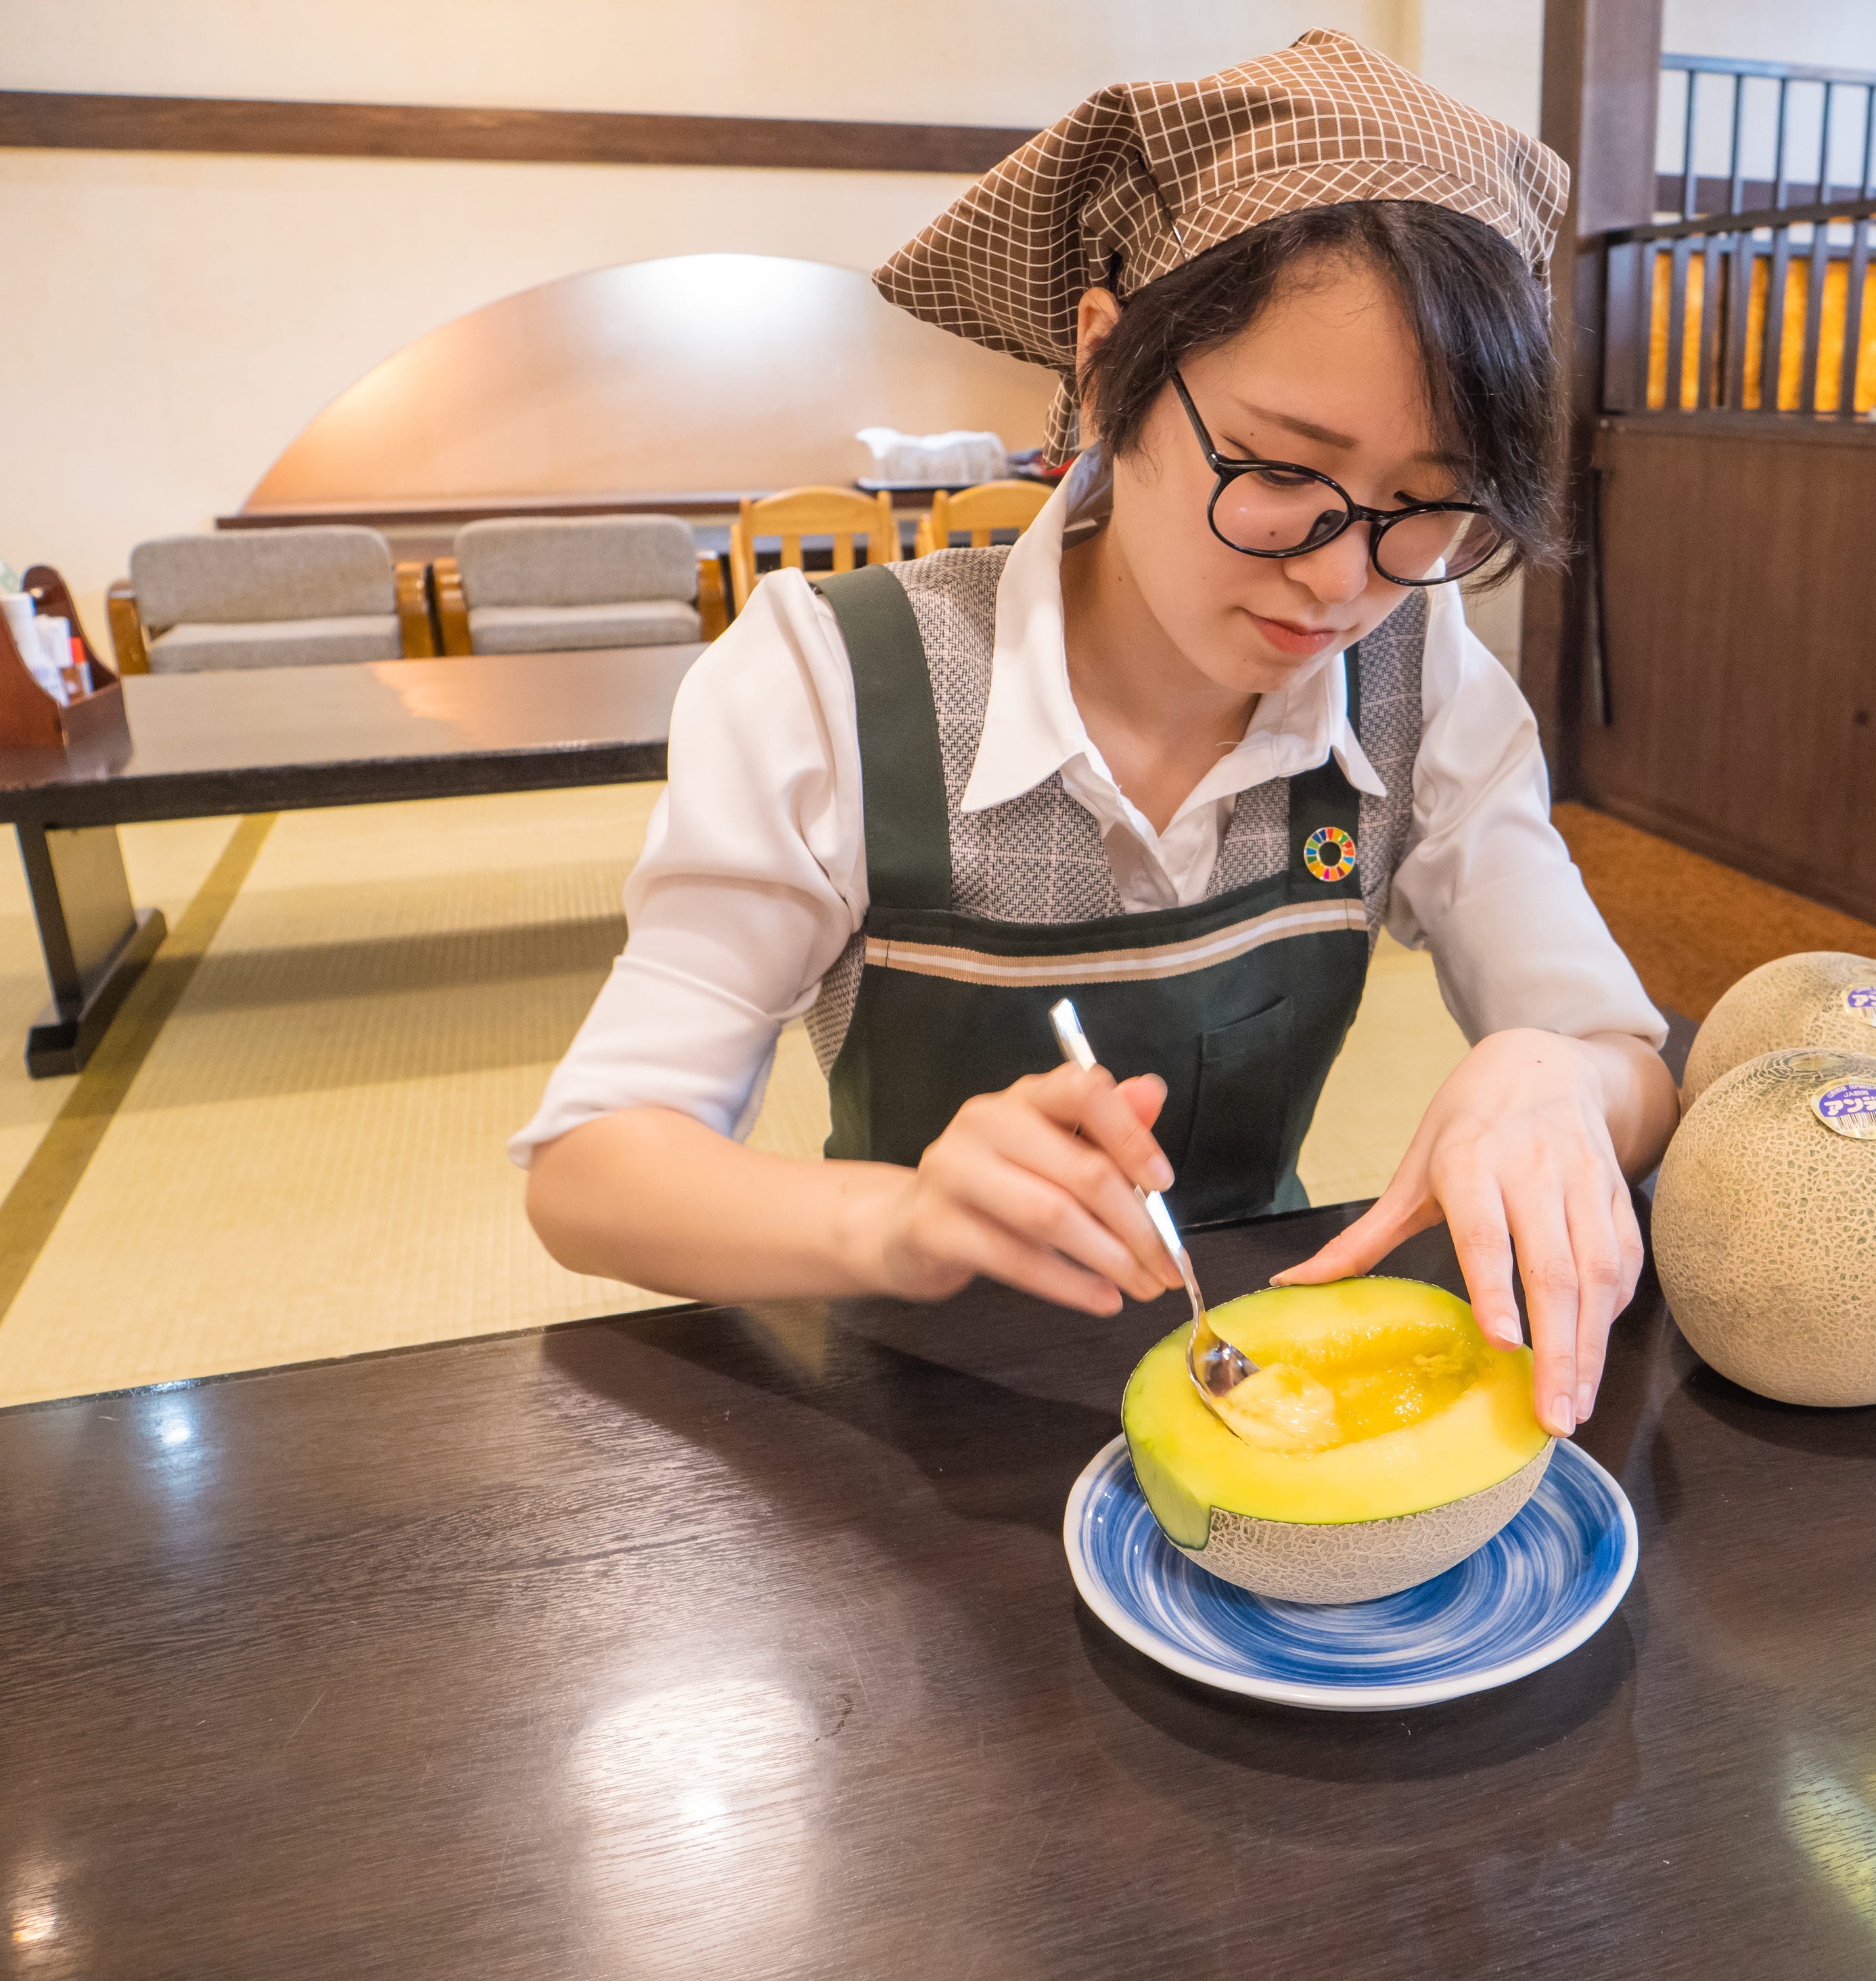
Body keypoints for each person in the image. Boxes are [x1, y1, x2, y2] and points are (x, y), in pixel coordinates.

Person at [513, 32, 1678, 1436]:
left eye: (1430, 503)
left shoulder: (1424, 686)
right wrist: (902, 1224)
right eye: (1282, 472)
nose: (1342, 576)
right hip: (917, 1404)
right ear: (1109, 356)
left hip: (1257, 1379)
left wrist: (1552, 1075)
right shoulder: (835, 682)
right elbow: (591, 1171)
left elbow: (1622, 1056)